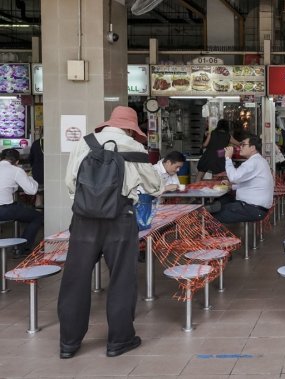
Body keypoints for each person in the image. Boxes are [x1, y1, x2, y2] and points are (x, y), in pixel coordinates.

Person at [58, 106, 162, 359]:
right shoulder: (133, 147)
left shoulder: (85, 143)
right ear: (130, 128)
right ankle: (119, 340)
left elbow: (70, 181)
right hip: (120, 219)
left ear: (109, 123)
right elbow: (155, 186)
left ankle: (68, 344)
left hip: (84, 220)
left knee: (75, 280)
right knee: (121, 280)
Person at [207, 135, 274, 223]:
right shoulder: (258, 160)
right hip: (254, 207)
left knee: (212, 216)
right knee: (224, 199)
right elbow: (251, 183)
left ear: (252, 148)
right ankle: (212, 207)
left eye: (243, 145)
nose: (240, 147)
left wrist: (228, 158)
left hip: (252, 209)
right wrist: (232, 187)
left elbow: (234, 177)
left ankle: (208, 215)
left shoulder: (253, 162)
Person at [0, 148, 42, 258]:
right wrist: (30, 178)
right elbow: (32, 190)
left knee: (18, 206)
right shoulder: (16, 170)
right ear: (17, 162)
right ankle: (22, 249)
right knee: (37, 217)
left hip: (7, 207)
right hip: (4, 210)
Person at [28, 136, 44, 208]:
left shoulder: (36, 143)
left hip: (38, 173)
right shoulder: (54, 143)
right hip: (52, 173)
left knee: (39, 194)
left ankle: (39, 214)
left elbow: (31, 159)